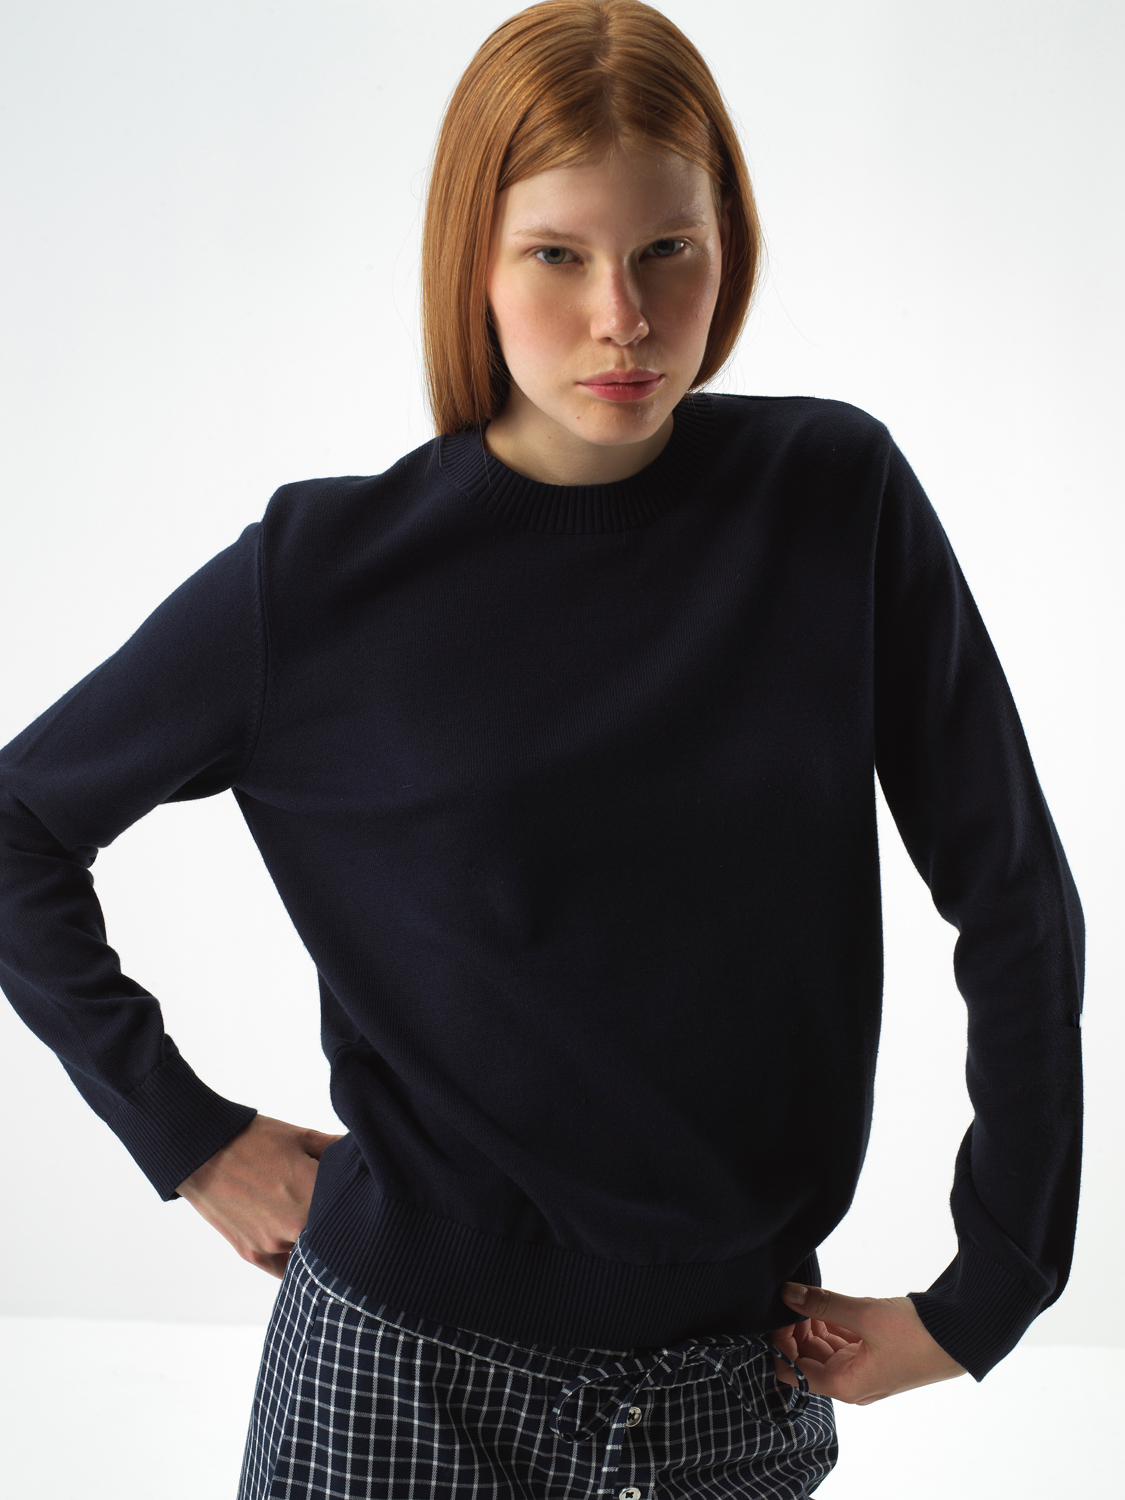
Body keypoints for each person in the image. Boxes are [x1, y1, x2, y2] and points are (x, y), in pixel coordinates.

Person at [0, 1, 1083, 1496]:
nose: (623, 319)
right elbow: (18, 826)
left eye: (668, 249)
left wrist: (994, 1286)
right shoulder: (320, 579)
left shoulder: (833, 500)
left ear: (730, 242)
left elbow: (1012, 895)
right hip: (396, 1390)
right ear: (473, 260)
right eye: (558, 256)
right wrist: (184, 1134)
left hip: (737, 1391)